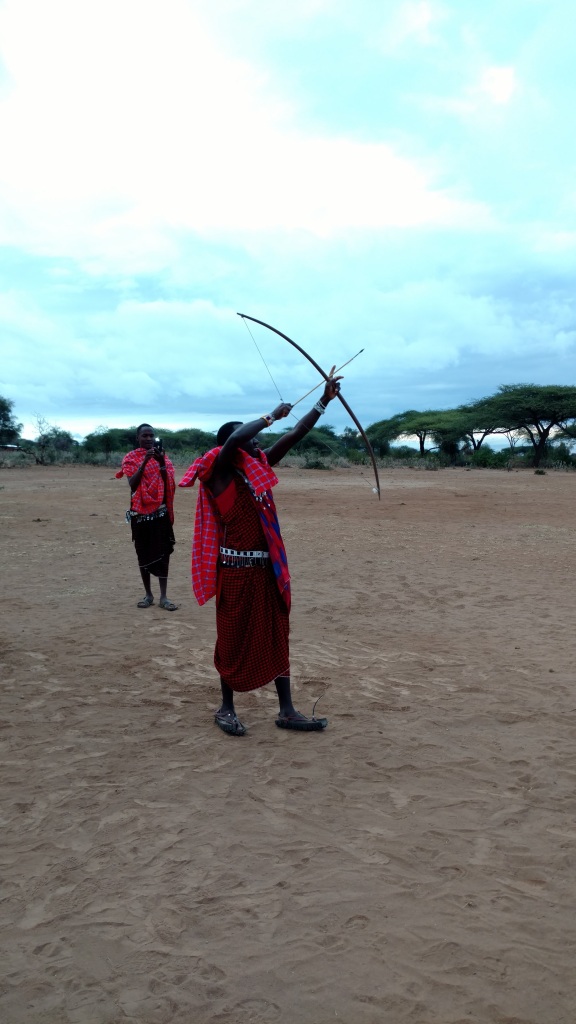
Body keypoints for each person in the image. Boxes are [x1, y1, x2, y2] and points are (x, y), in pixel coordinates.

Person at [179, 378, 342, 735]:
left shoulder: (257, 469)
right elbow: (237, 438)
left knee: (277, 633)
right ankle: (226, 708)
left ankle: (286, 710)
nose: (257, 442)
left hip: (265, 569)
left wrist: (323, 401)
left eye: (256, 437)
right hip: (235, 571)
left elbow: (295, 433)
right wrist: (270, 416)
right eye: (251, 438)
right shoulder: (219, 473)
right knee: (232, 636)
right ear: (229, 447)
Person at [116, 423, 178, 610]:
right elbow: (133, 484)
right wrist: (144, 463)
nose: (149, 439)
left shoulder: (163, 458)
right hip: (140, 514)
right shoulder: (131, 458)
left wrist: (160, 463)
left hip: (160, 512)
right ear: (138, 438)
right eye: (145, 436)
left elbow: (169, 484)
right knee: (142, 554)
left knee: (163, 554)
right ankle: (148, 595)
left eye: (152, 436)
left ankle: (164, 597)